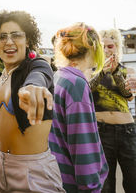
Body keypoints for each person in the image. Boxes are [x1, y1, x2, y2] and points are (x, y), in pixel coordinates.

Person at [0, 10, 65, 192]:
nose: (9, 41)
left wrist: (33, 87)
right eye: (1, 37)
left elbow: (40, 76)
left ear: (28, 40)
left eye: (16, 35)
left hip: (31, 172)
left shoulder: (37, 66)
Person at [49, 22, 109, 192]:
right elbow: (82, 144)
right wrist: (91, 187)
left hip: (56, 177)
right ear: (94, 49)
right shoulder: (76, 85)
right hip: (72, 184)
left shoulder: (58, 77)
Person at [90, 28, 136, 193]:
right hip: (101, 132)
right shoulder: (90, 71)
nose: (107, 50)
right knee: (105, 188)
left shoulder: (128, 71)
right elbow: (86, 91)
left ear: (117, 48)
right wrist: (103, 72)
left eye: (110, 46)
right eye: (103, 47)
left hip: (128, 132)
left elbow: (129, 95)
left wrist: (115, 72)